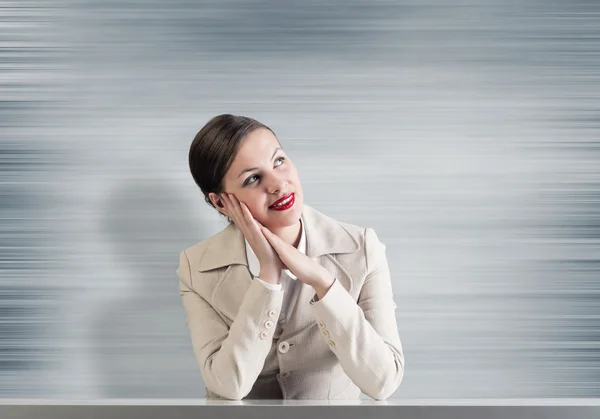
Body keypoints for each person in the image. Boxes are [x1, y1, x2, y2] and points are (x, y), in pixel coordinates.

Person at [177, 114, 404, 400]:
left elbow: (383, 381)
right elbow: (229, 385)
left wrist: (323, 283)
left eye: (279, 161)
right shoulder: (196, 268)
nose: (278, 184)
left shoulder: (362, 248)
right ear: (221, 202)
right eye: (253, 178)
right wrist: (268, 278)